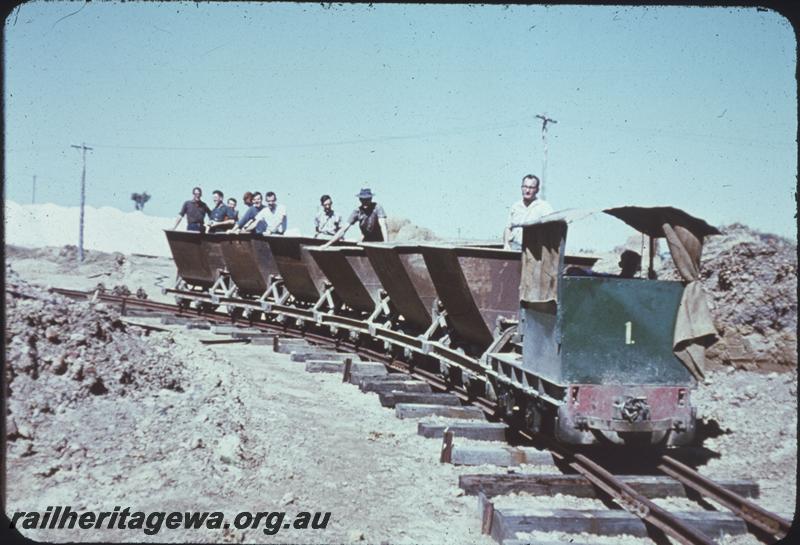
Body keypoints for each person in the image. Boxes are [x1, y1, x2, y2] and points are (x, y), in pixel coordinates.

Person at [503, 174, 554, 251]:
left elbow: (553, 228)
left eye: (531, 188)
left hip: (533, 251)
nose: (527, 191)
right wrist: (506, 245)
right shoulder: (515, 206)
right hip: (514, 247)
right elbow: (508, 228)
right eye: (525, 187)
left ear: (537, 190)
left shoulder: (544, 207)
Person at [323, 188, 388, 246]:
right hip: (367, 240)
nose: (365, 202)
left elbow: (383, 226)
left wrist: (386, 244)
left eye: (367, 200)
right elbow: (343, 229)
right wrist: (327, 244)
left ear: (371, 199)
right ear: (360, 200)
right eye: (362, 200)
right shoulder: (357, 211)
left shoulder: (377, 207)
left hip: (379, 240)